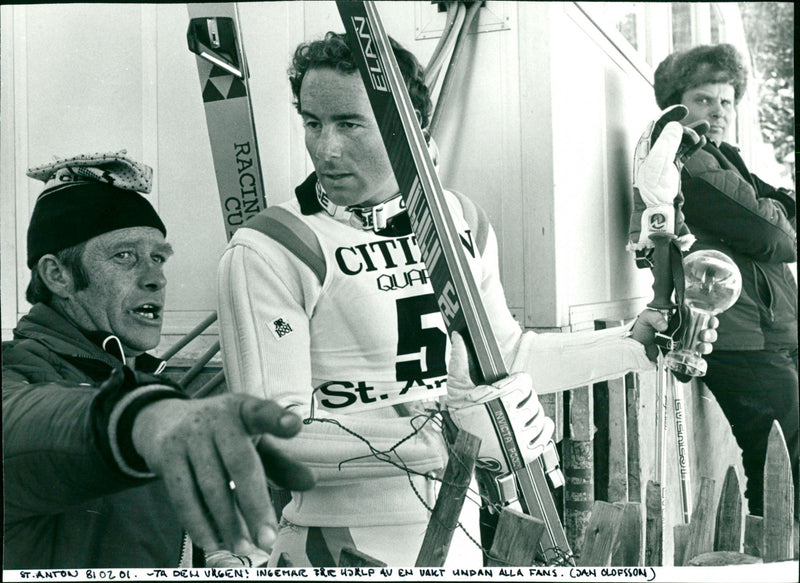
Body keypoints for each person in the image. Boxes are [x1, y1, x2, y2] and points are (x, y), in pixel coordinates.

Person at [217, 33, 716, 567]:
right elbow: (267, 440)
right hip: (335, 541)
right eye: (313, 123)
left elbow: (503, 359)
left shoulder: (457, 218)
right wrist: (445, 433)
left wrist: (633, 345)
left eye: (349, 124)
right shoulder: (272, 246)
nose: (326, 148)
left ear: (408, 126)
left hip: (459, 532)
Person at [2, 151, 315, 569]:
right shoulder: (19, 375)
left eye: (158, 257)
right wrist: (138, 419)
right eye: (124, 256)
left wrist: (217, 556)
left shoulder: (144, 380)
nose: (156, 278)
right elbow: (31, 428)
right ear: (58, 275)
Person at [653, 43, 798, 519]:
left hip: (771, 333)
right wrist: (773, 216)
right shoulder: (685, 158)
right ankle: (780, 559)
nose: (717, 111)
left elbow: (779, 210)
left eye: (726, 101)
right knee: (782, 465)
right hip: (740, 341)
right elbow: (773, 232)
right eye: (703, 99)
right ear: (677, 102)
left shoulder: (721, 156)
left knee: (786, 461)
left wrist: (772, 212)